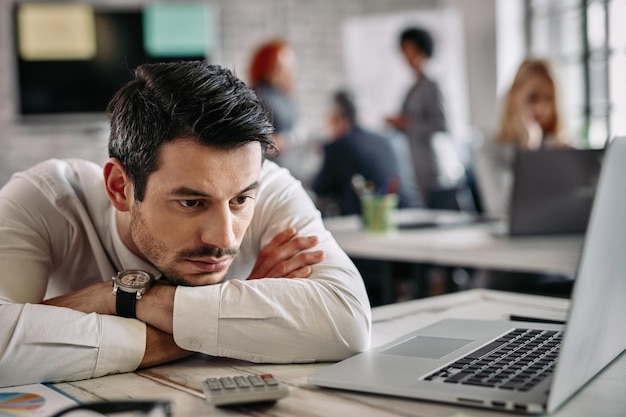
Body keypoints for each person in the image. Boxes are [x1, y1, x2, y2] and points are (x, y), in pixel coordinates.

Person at [0, 61, 371, 387]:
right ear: (120, 187)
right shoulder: (48, 197)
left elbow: (348, 322)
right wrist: (229, 324)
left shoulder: (268, 185)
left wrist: (118, 299)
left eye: (241, 200)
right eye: (191, 202)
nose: (224, 237)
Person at [474, 57, 570, 218]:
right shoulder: (490, 149)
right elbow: (502, 208)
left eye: (549, 99)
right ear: (513, 96)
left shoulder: (563, 148)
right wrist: (529, 151)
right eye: (533, 98)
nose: (541, 108)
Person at [313, 90, 422, 216]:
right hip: (407, 211)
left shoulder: (338, 146)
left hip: (369, 220)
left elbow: (320, 188)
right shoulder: (387, 139)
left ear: (337, 118)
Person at [385, 27, 448, 207]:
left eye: (409, 51)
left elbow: (441, 124)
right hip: (413, 163)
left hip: (431, 164)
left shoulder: (433, 85)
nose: (406, 57)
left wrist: (407, 123)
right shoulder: (412, 88)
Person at [248, 39, 298, 155]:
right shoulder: (260, 95)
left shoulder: (283, 96)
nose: (290, 71)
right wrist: (278, 142)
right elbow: (254, 137)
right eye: (282, 66)